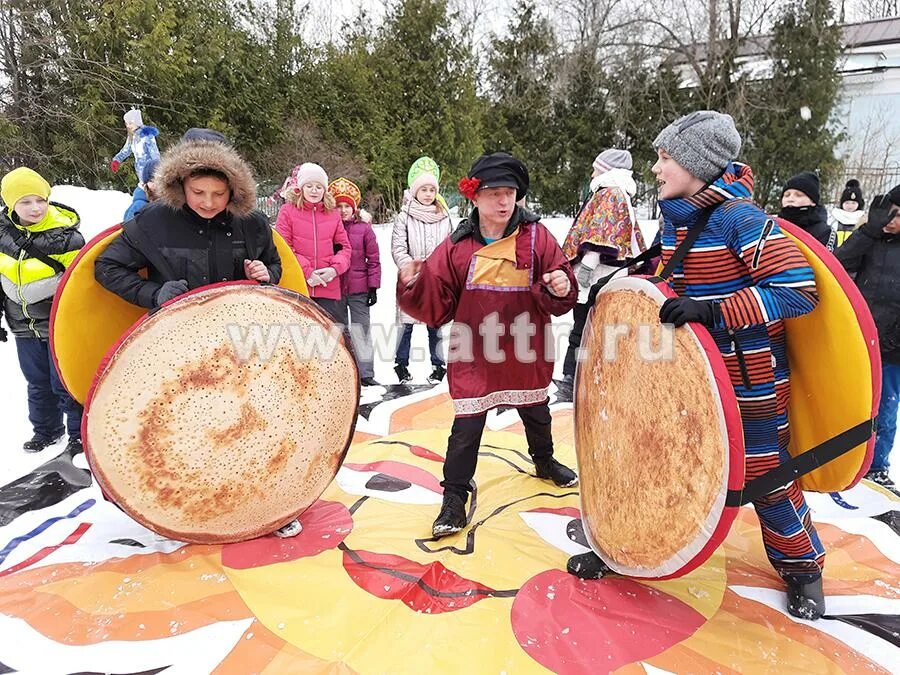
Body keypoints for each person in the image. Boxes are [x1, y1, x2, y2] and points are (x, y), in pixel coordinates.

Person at [569, 112, 828, 621]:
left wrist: (715, 311)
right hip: (677, 378)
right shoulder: (676, 214)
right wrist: (627, 282)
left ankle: (802, 567)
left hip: (744, 377)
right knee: (654, 462)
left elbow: (798, 291)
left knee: (764, 475)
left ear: (697, 164)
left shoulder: (741, 220)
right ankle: (632, 549)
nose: (656, 167)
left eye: (665, 157)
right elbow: (670, 266)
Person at [94, 137, 300, 539]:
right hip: (178, 356)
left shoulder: (253, 223)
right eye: (198, 192)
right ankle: (190, 511)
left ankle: (268, 507)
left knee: (254, 428)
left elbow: (274, 263)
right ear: (181, 183)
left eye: (218, 194)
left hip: (243, 350)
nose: (208, 202)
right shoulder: (152, 223)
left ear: (234, 190)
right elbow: (107, 266)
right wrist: (153, 294)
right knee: (192, 435)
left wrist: (266, 273)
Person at [397, 151, 579, 538]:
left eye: (509, 193)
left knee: (536, 410)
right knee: (467, 426)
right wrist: (414, 282)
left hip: (524, 344)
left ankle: (544, 461)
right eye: (494, 193)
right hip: (474, 349)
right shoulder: (457, 246)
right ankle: (454, 497)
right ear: (474, 197)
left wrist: (561, 285)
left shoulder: (537, 238)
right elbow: (436, 306)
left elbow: (559, 286)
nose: (503, 202)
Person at [0, 168, 85, 453]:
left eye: (41, 200)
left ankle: (78, 435)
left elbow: (81, 284)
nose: (35, 208)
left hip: (57, 324)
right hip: (23, 325)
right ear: (11, 204)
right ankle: (47, 431)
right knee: (36, 383)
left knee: (64, 382)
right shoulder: (3, 235)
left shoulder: (66, 237)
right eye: (25, 202)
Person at [559, 148, 647, 397]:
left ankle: (572, 379)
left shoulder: (609, 193)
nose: (592, 172)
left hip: (598, 276)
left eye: (596, 167)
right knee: (598, 329)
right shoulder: (618, 194)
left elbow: (602, 234)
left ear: (606, 169)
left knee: (584, 328)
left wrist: (587, 264)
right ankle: (588, 379)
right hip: (609, 276)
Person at [836, 186, 900, 490]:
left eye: (898, 214)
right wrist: (869, 231)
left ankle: (876, 466)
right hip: (861, 342)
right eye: (888, 211)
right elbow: (838, 263)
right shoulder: (871, 241)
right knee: (849, 403)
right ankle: (840, 458)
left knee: (885, 408)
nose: (891, 219)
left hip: (893, 349)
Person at [391, 157, 452, 385]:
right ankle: (401, 364)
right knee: (406, 325)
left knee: (434, 325)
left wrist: (440, 270)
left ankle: (438, 365)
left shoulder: (444, 217)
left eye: (431, 190)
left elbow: (449, 248)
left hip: (435, 280)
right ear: (415, 191)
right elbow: (398, 247)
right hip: (411, 279)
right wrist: (411, 268)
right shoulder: (404, 217)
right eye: (423, 189)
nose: (428, 194)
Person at [275, 163, 350, 322]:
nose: (314, 190)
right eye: (309, 186)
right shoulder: (287, 211)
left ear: (325, 190)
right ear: (301, 188)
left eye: (319, 186)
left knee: (331, 338)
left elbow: (344, 248)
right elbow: (284, 248)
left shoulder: (333, 214)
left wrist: (334, 270)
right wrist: (307, 272)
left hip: (327, 287)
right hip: (298, 285)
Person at [329, 177, 381, 387]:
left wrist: (373, 286)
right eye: (339, 206)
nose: (343, 210)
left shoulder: (364, 229)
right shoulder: (330, 227)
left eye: (346, 206)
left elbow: (374, 258)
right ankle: (344, 370)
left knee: (361, 329)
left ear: (354, 207)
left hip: (359, 288)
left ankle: (366, 373)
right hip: (336, 287)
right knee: (340, 330)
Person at [779, 171, 836, 252]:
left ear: (813, 202)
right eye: (786, 195)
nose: (790, 199)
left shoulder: (825, 232)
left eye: (798, 195)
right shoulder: (772, 225)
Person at [110, 109, 160, 186]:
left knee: (151, 194)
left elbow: (155, 154)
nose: (128, 126)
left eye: (130, 123)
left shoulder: (147, 135)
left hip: (150, 173)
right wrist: (116, 160)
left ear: (137, 122)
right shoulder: (132, 136)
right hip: (140, 173)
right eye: (126, 123)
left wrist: (157, 170)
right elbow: (126, 150)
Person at [831, 179, 865, 246]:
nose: (850, 206)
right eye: (847, 203)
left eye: (853, 203)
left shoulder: (862, 220)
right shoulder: (834, 218)